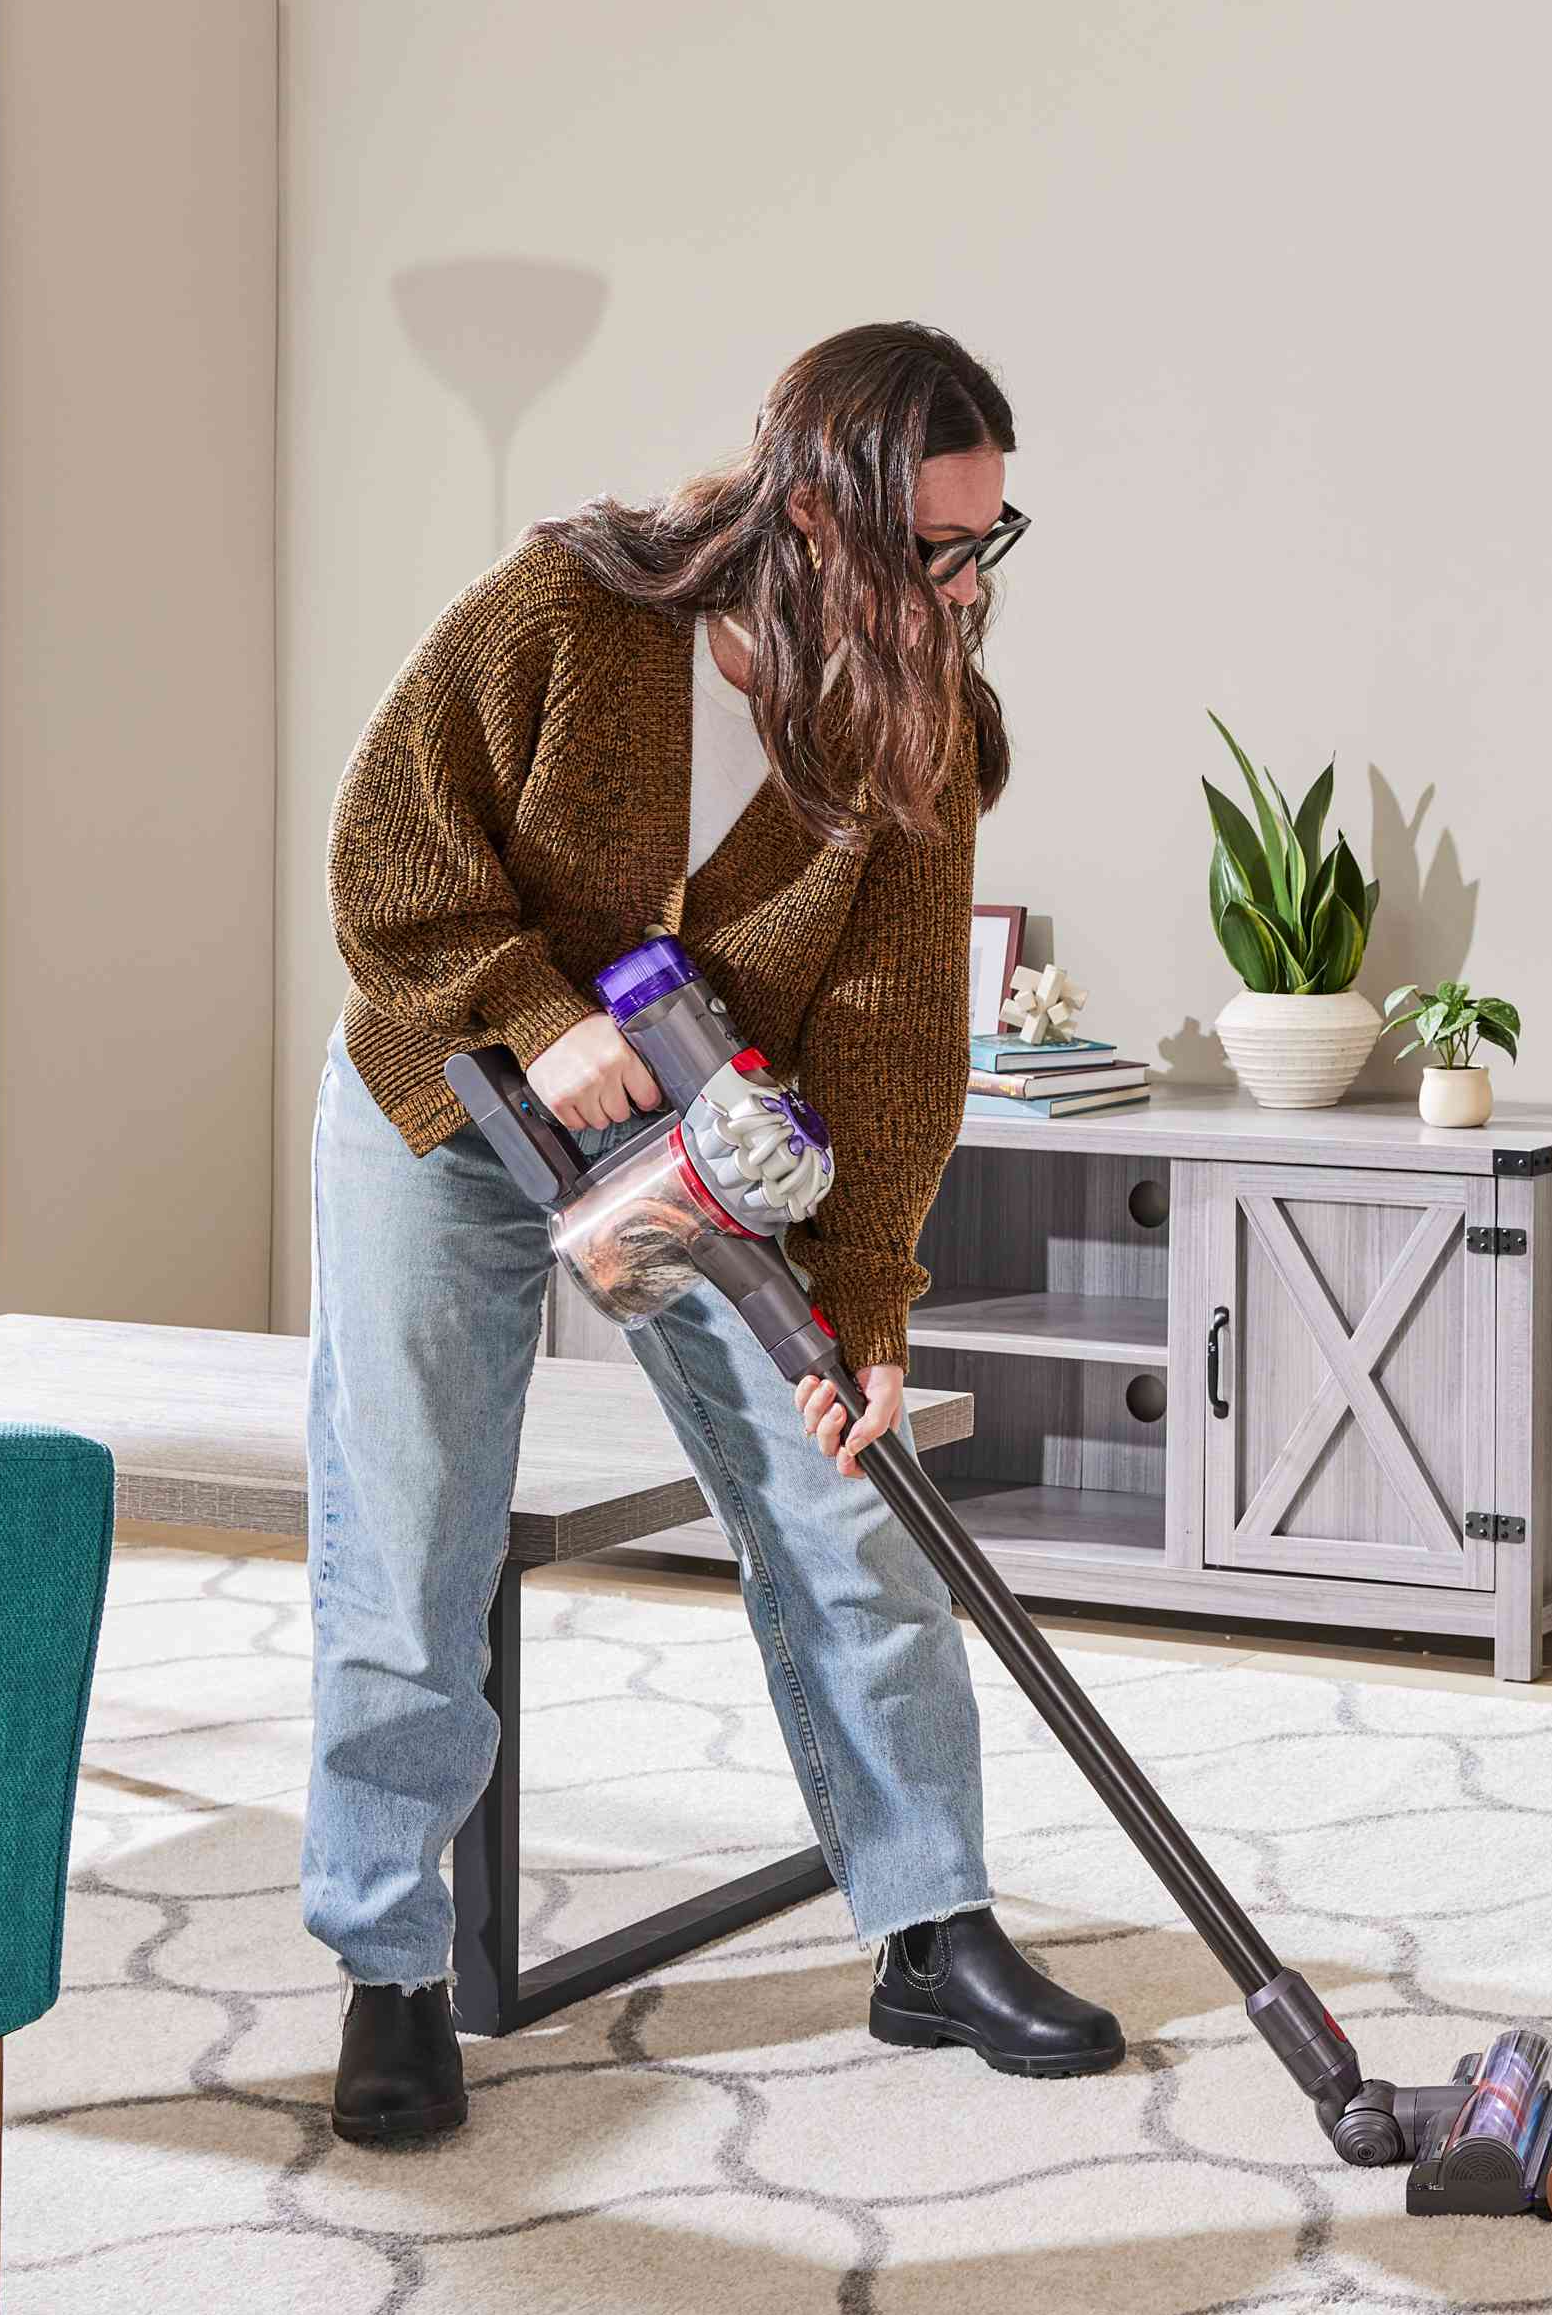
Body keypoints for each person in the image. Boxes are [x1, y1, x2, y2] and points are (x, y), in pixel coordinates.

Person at [304, 320, 1111, 2145]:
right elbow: (387, 854)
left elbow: (901, 1033)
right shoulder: (570, 613)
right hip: (451, 1097)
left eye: (989, 540)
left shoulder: (921, 722)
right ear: (815, 518)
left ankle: (929, 1927)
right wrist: (534, 1005)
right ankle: (390, 1968)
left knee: (847, 1502)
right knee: (415, 1518)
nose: (963, 583)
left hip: (704, 1142)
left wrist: (875, 1306)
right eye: (932, 547)